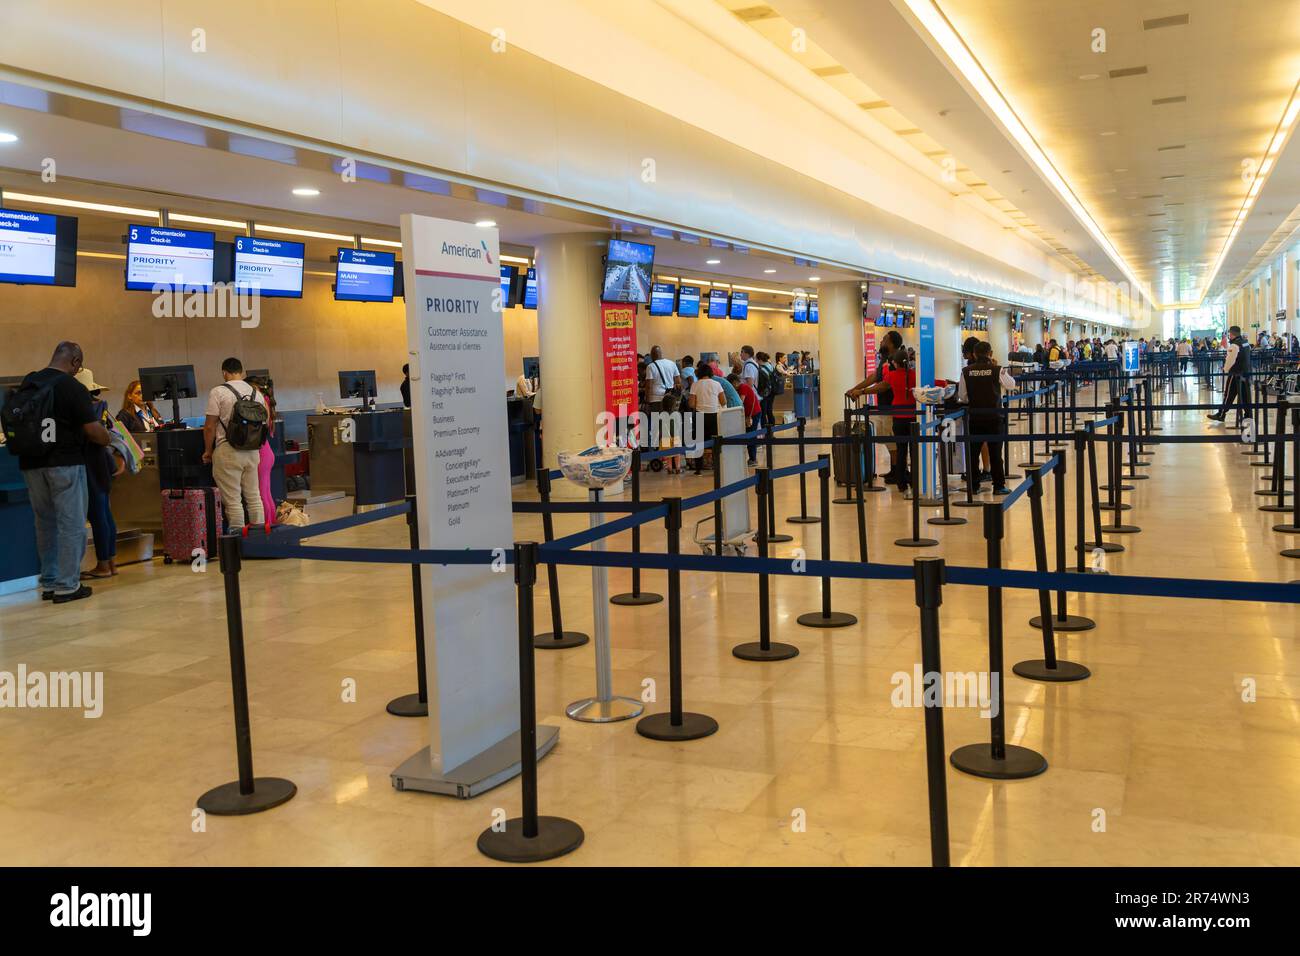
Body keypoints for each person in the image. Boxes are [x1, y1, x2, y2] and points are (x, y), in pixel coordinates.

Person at [8, 342, 112, 603]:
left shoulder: (30, 382)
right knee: (72, 524)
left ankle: (51, 582)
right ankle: (68, 585)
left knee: (45, 524)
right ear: (75, 361)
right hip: (64, 463)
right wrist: (108, 437)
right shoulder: (71, 387)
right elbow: (92, 430)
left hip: (31, 464)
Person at [202, 357, 268, 527]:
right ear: (242, 372)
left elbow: (210, 426)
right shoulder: (256, 393)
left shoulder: (218, 392)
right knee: (254, 497)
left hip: (228, 450)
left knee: (233, 501)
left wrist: (208, 451)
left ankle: (237, 542)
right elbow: (264, 423)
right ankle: (259, 539)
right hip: (253, 451)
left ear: (224, 373)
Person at [75, 368, 125, 579]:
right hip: (103, 462)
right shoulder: (101, 406)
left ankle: (103, 564)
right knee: (105, 513)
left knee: (97, 515)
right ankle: (111, 562)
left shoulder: (82, 409)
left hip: (89, 462)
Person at [854, 350, 916, 496]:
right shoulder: (914, 375)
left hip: (898, 418)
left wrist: (862, 391)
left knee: (901, 450)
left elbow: (880, 386)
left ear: (895, 363)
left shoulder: (892, 375)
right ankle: (915, 480)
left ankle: (901, 484)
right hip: (914, 418)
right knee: (914, 451)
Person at [847, 329, 904, 482]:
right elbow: (874, 377)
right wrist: (855, 389)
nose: (881, 342)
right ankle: (894, 469)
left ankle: (898, 470)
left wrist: (862, 391)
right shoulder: (886, 359)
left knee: (891, 438)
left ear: (891, 343)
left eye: (884, 339)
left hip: (891, 406)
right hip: (885, 406)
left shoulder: (893, 361)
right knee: (888, 437)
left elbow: (885, 384)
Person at [958, 341, 1014, 495]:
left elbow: (962, 396)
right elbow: (1011, 384)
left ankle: (974, 486)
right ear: (991, 353)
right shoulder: (997, 370)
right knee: (995, 454)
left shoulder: (966, 371)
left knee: (973, 454)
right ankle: (999, 486)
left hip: (975, 418)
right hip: (994, 417)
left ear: (974, 354)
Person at [248, 375, 278, 525]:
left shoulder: (260, 402)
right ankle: (272, 524)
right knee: (266, 493)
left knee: (261, 494)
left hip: (261, 453)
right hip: (267, 451)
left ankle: (267, 526)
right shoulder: (267, 402)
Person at [1208, 325, 1250, 424]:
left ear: (1231, 334)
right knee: (1245, 396)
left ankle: (1221, 414)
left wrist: (1226, 370)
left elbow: (1230, 360)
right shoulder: (1245, 343)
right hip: (1245, 373)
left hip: (1235, 374)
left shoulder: (1234, 345)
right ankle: (1248, 415)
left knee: (1228, 395)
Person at [688, 363, 725, 474]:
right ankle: (717, 468)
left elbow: (691, 404)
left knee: (699, 443)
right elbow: (724, 401)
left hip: (700, 415)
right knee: (716, 443)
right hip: (714, 416)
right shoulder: (717, 384)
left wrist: (700, 405)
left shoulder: (695, 385)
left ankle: (698, 469)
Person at [729, 372, 762, 465]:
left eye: (731, 385)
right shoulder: (742, 387)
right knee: (750, 434)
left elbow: (740, 402)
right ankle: (752, 458)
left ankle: (753, 458)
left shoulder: (743, 387)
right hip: (751, 414)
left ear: (735, 382)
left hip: (753, 414)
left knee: (750, 435)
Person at [644, 345, 682, 413]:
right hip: (670, 399)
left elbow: (648, 386)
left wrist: (647, 402)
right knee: (668, 421)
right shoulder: (672, 363)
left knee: (657, 422)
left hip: (655, 400)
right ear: (661, 353)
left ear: (652, 355)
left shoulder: (650, 366)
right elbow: (678, 382)